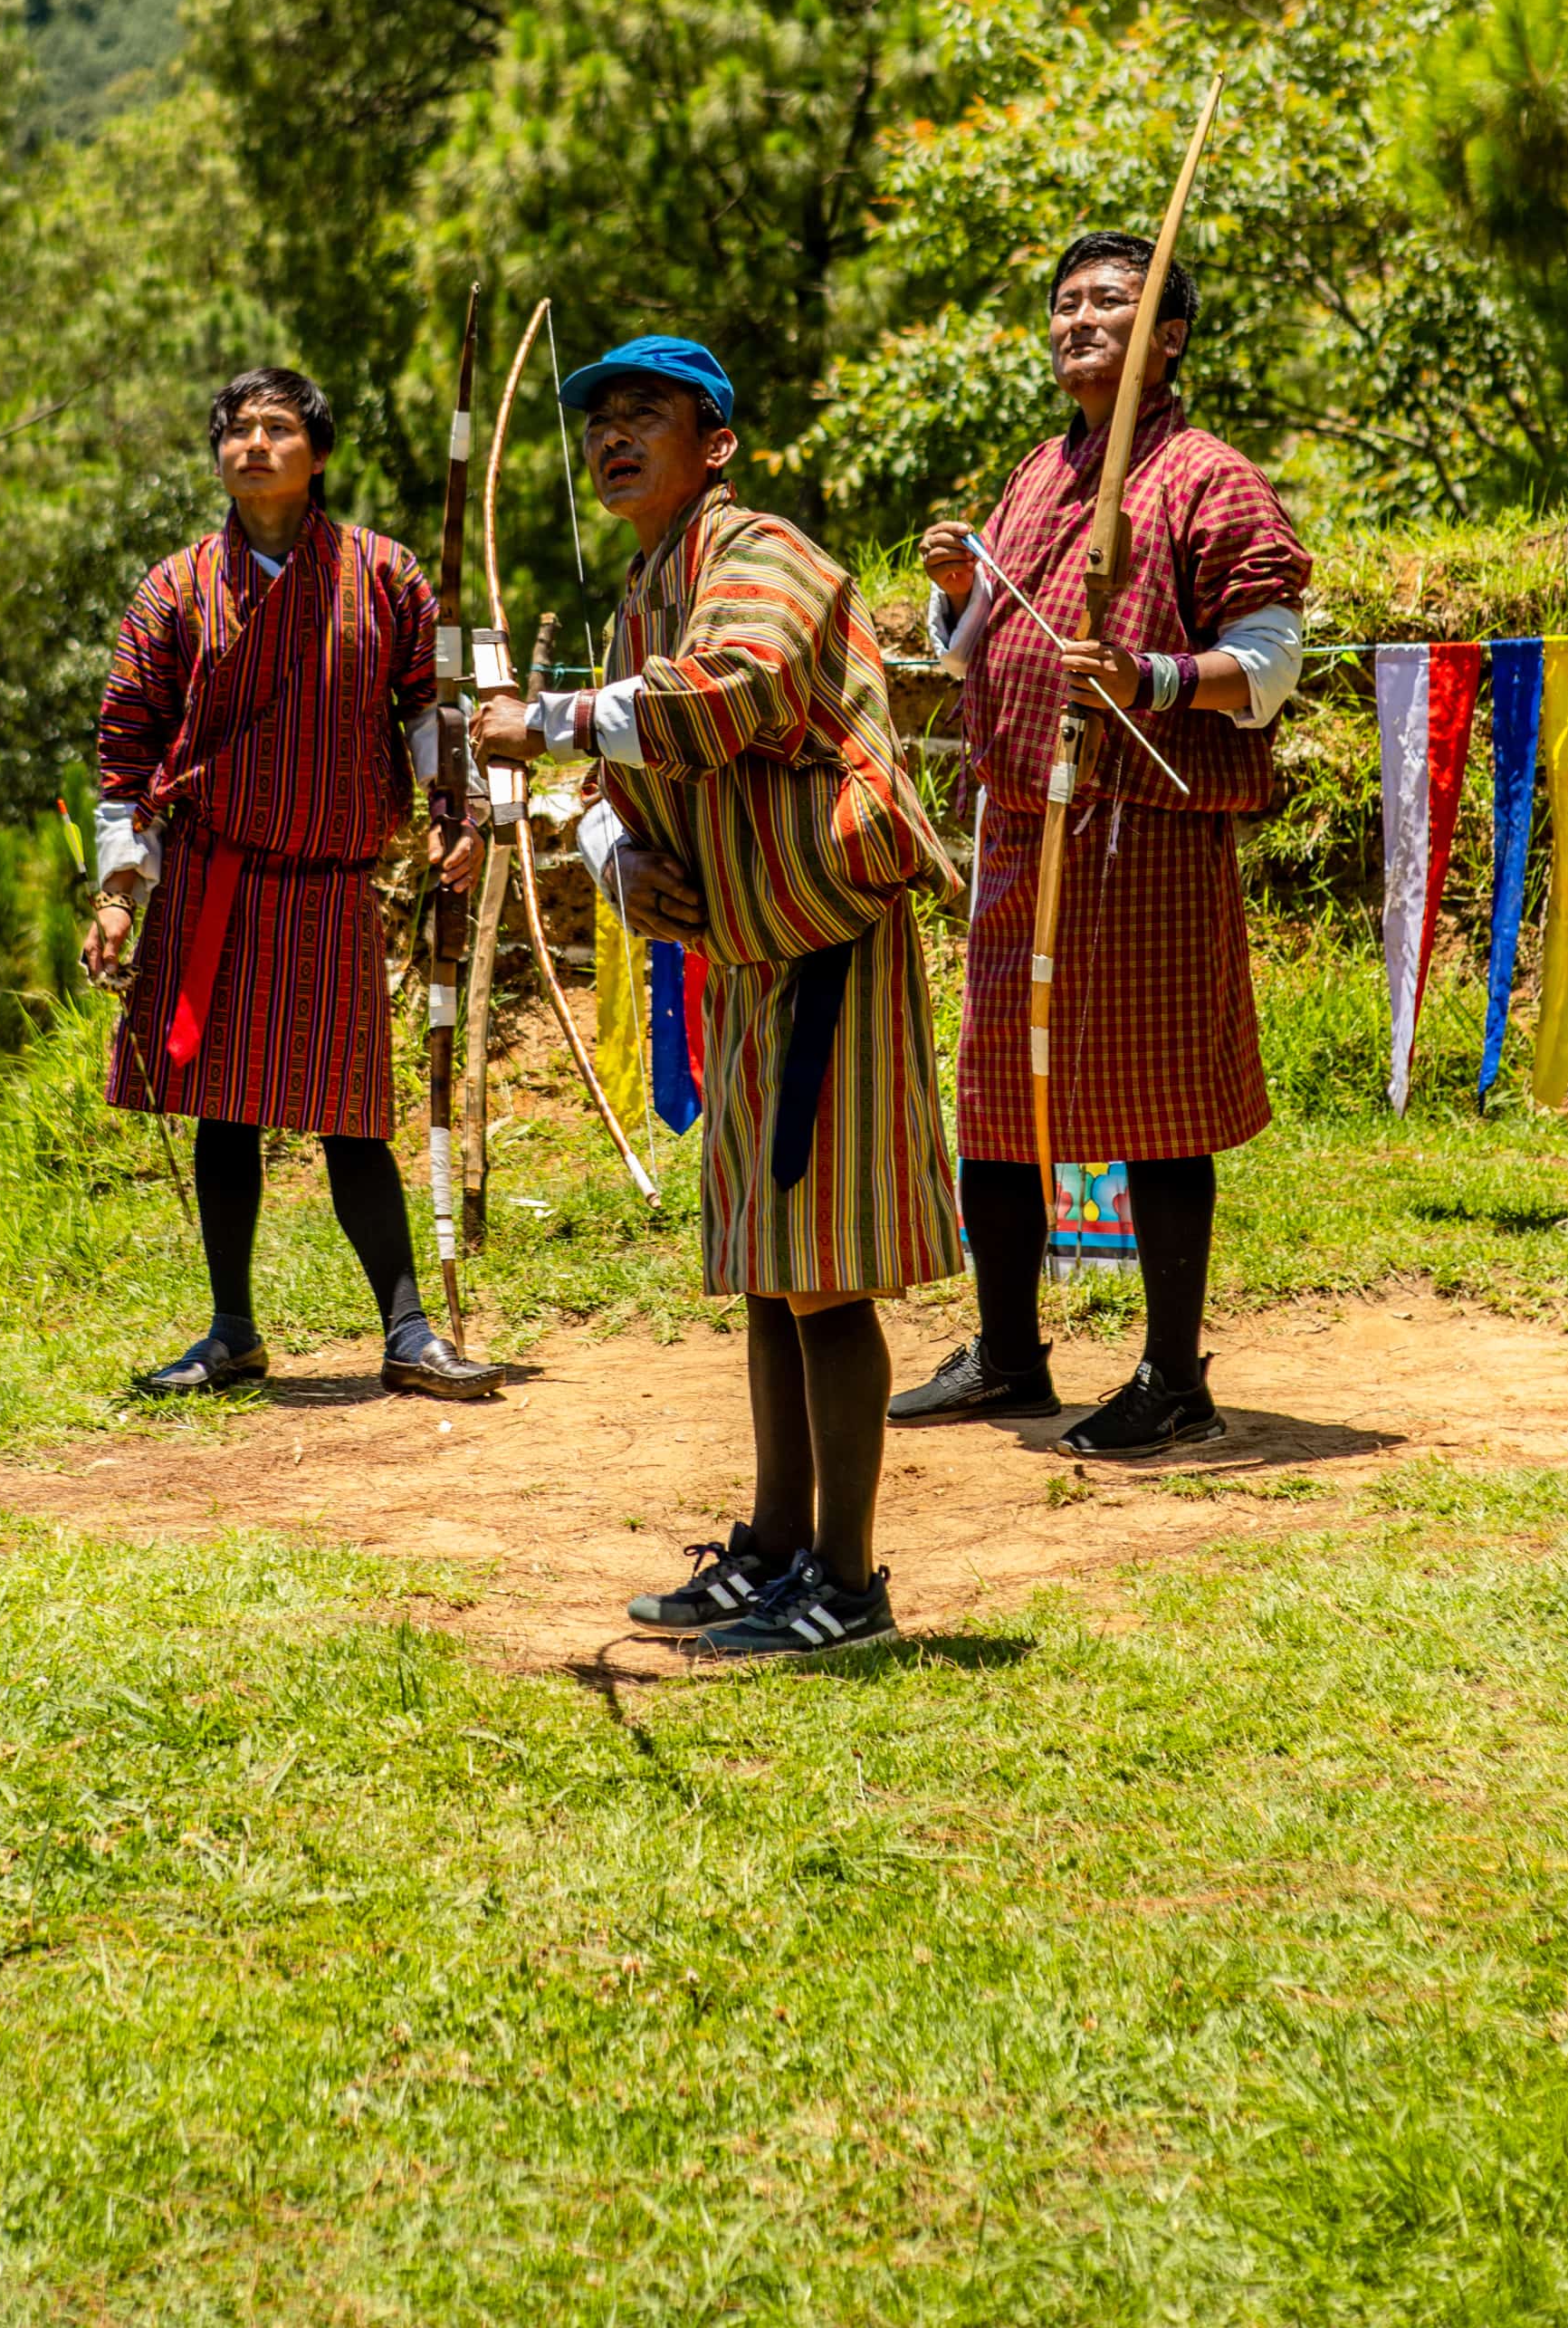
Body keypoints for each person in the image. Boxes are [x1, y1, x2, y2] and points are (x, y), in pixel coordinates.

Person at [473, 337, 962, 1656]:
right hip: (751, 952)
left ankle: (847, 1585)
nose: (613, 437)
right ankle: (775, 1550)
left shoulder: (760, 557)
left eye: (648, 415)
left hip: (823, 935)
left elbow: (729, 697)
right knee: (767, 1266)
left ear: (717, 443)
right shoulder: (649, 587)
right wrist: (613, 852)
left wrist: (561, 722)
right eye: (600, 421)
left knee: (822, 1270)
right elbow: (633, 786)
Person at [890, 235, 1311, 1457]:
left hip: (1148, 832)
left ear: (1167, 337)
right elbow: (976, 653)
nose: (1080, 319)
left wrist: (1155, 676)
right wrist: (959, 590)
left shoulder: (1206, 477)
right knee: (997, 1099)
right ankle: (1010, 1356)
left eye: (1112, 302)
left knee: (1160, 1107)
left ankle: (1173, 1377)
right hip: (1027, 821)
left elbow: (1270, 665)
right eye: (1066, 302)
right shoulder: (1037, 473)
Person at [87, 364, 505, 1403]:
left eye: (278, 427)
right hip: (212, 874)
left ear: (316, 454)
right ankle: (232, 1331)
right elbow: (126, 750)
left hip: (329, 881)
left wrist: (459, 812)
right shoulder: (175, 587)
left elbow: (426, 711)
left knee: (352, 1111)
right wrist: (116, 887)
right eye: (236, 428)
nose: (254, 443)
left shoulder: (386, 575)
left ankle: (407, 1331)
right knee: (221, 1108)